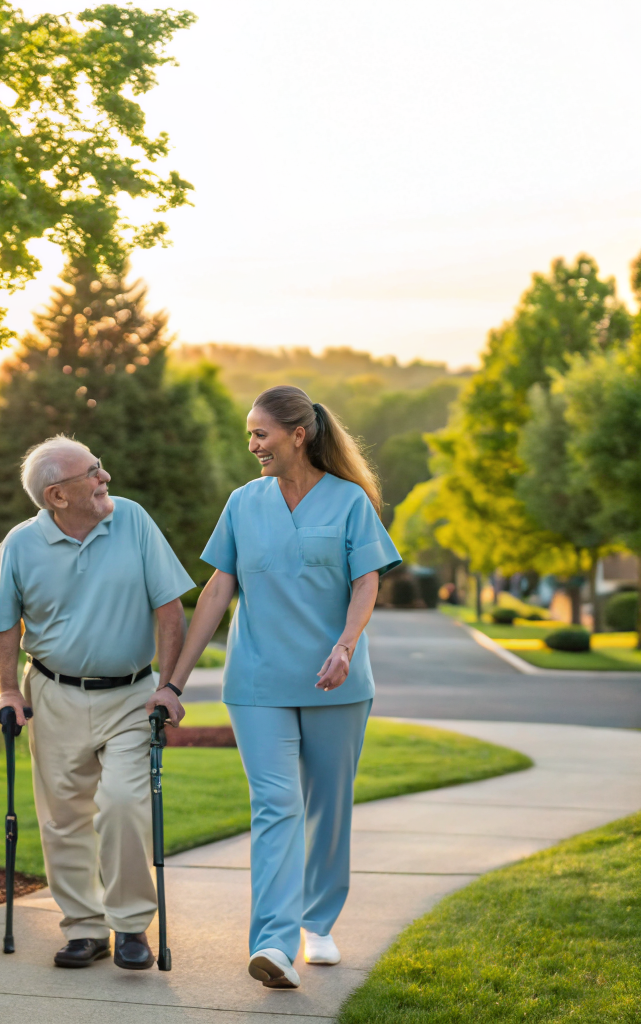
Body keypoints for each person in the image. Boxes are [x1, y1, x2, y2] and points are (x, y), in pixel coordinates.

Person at [154, 385, 400, 990]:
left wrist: (344, 646)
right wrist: (174, 683)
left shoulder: (349, 502)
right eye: (249, 434)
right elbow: (217, 590)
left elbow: (367, 584)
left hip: (334, 682)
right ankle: (272, 941)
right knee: (276, 806)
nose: (252, 445)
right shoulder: (243, 502)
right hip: (257, 679)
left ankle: (318, 922)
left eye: (260, 434)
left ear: (299, 434)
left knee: (328, 808)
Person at [0, 435, 193, 970]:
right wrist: (8, 688)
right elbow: (5, 624)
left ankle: (129, 926)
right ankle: (84, 928)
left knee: (124, 803)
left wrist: (168, 686)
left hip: (129, 694)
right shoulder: (19, 544)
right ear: (58, 495)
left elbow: (170, 609)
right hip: (53, 693)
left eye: (99, 466)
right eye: (93, 472)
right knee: (62, 819)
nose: (105, 477)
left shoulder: (133, 520)